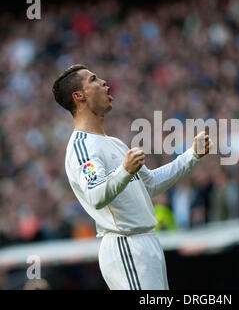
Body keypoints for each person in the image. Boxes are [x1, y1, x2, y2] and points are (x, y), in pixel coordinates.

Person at [52, 64, 212, 290]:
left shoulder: (113, 142)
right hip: (126, 245)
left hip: (146, 242)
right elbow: (96, 194)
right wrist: (125, 170)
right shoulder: (83, 147)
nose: (104, 82)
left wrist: (192, 155)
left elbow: (151, 185)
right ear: (79, 96)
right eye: (94, 79)